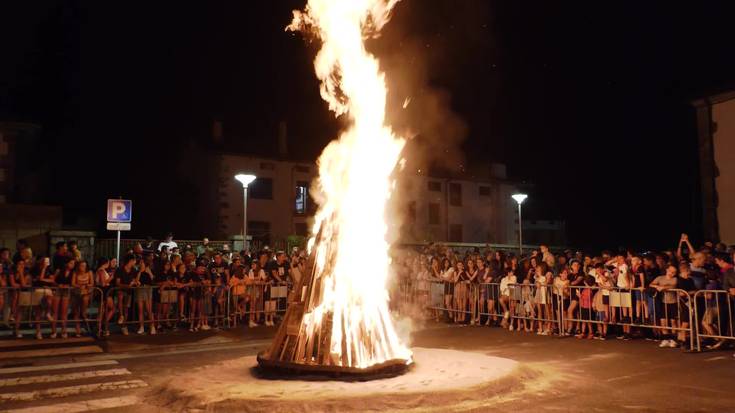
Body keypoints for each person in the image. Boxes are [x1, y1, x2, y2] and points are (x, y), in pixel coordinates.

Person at [650, 264, 679, 348]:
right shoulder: (660, 278)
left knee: (673, 322)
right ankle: (665, 339)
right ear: (667, 270)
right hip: (663, 302)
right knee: (663, 322)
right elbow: (651, 284)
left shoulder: (675, 279)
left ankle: (673, 340)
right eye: (670, 271)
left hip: (673, 302)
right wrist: (658, 286)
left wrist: (662, 287)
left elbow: (673, 285)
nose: (671, 273)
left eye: (673, 272)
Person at [114, 255, 138, 336]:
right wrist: (126, 286)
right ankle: (121, 315)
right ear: (130, 260)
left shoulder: (134, 270)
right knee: (120, 296)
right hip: (121, 290)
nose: (135, 262)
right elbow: (117, 283)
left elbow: (135, 280)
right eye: (134, 260)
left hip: (129, 291)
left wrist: (135, 282)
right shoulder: (120, 269)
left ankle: (124, 326)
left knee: (126, 309)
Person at [53, 258, 76, 339]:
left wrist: (68, 286)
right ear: (66, 263)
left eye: (73, 264)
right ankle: (54, 330)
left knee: (64, 312)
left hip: (66, 291)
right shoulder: (59, 271)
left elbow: (73, 283)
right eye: (71, 263)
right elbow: (53, 280)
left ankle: (64, 330)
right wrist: (57, 285)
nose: (72, 265)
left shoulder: (73, 272)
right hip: (58, 291)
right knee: (55, 311)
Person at [71, 260, 94, 337]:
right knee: (76, 312)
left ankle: (87, 326)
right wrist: (79, 286)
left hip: (86, 293)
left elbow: (92, 283)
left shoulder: (89, 272)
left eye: (84, 266)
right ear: (78, 266)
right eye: (81, 266)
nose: (83, 267)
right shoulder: (75, 272)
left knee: (83, 311)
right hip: (76, 293)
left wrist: (87, 285)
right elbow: (73, 283)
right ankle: (78, 330)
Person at [96, 258, 115, 336]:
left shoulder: (100, 270)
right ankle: (102, 326)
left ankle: (100, 327)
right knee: (110, 309)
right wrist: (111, 278)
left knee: (102, 310)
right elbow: (103, 283)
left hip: (104, 291)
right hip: (104, 291)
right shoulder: (101, 271)